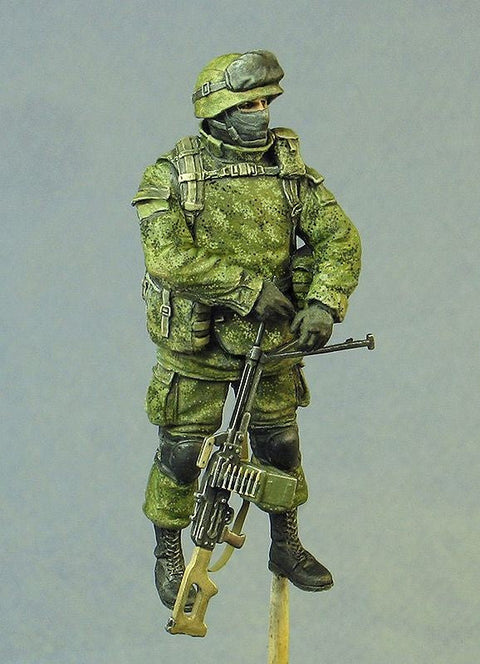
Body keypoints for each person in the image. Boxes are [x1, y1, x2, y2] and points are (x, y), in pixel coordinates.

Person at [132, 50, 361, 610]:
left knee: (279, 445)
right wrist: (245, 288)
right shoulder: (172, 174)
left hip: (272, 341)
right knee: (182, 452)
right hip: (198, 342)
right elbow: (166, 258)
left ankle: (286, 543)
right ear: (217, 112)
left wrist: (323, 303)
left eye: (266, 103)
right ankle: (168, 552)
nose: (262, 113)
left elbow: (339, 238)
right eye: (249, 105)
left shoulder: (288, 171)